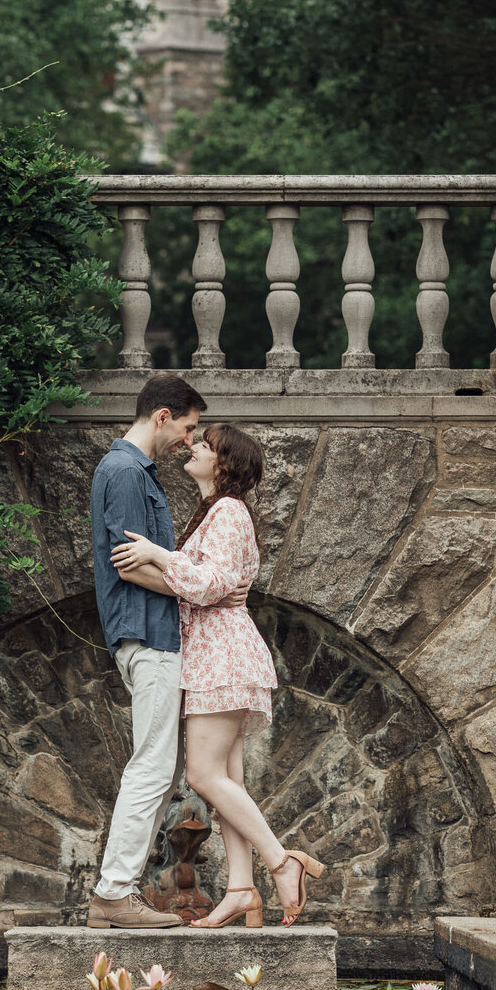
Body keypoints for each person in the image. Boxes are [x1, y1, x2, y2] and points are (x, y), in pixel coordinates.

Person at [111, 423, 324, 928]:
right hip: (217, 651)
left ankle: (281, 861)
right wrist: (167, 561)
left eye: (205, 445)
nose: (195, 447)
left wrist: (158, 555)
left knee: (203, 776)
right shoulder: (214, 511)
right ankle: (241, 890)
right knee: (227, 781)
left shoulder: (228, 511)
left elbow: (207, 585)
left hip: (222, 652)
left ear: (223, 464)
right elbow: (204, 582)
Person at [88, 374, 250, 931]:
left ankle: (116, 892)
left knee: (157, 764)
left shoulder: (135, 472)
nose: (189, 439)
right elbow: (130, 564)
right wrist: (216, 591)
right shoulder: (128, 472)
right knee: (153, 767)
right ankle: (113, 893)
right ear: (161, 416)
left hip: (155, 634)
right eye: (187, 427)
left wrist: (207, 586)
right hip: (148, 635)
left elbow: (156, 564)